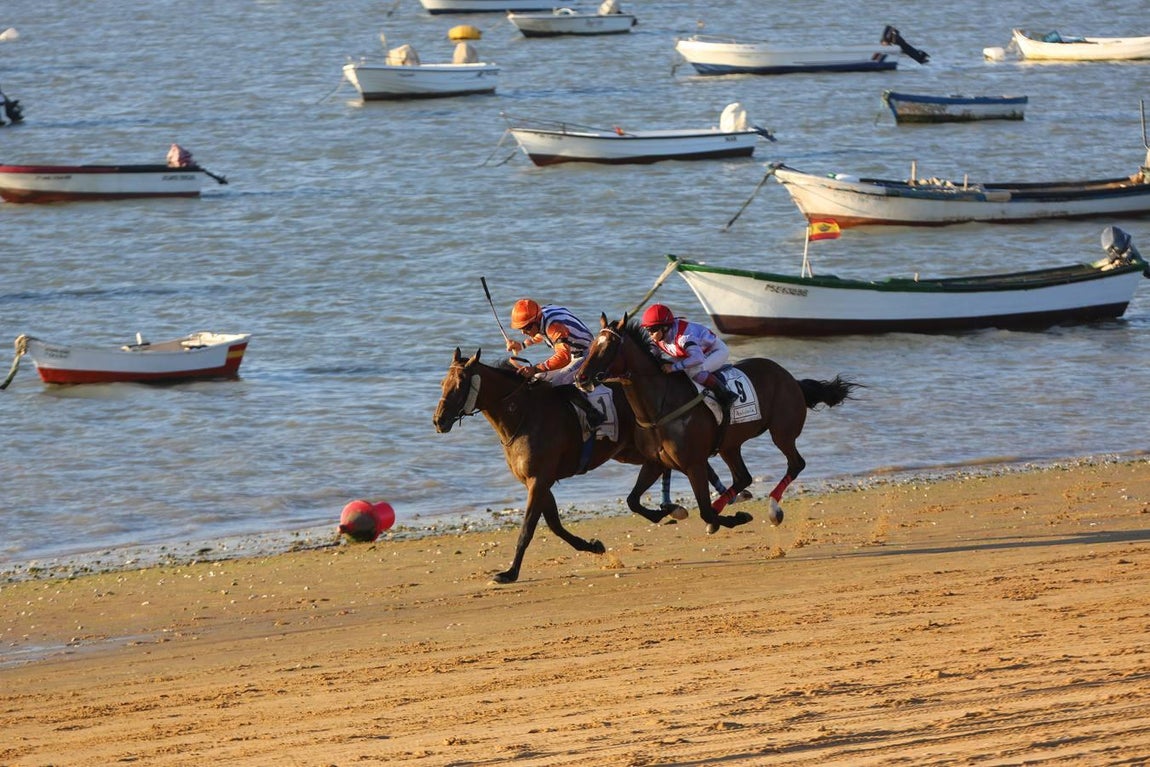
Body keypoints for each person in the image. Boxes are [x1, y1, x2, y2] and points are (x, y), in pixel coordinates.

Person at [506, 298, 605, 429]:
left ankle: (592, 413)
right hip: (571, 352)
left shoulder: (554, 326)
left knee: (558, 381)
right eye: (521, 329)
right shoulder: (542, 315)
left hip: (586, 354)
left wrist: (535, 369)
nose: (523, 332)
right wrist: (522, 345)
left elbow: (563, 357)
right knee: (537, 380)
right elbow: (542, 334)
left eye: (526, 328)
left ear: (535, 320)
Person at [639, 303, 736, 407]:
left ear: (665, 328)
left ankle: (726, 395)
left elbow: (697, 358)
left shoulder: (683, 338)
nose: (649, 334)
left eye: (652, 330)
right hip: (691, 353)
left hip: (715, 350)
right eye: (647, 329)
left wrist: (673, 367)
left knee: (694, 371)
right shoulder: (659, 335)